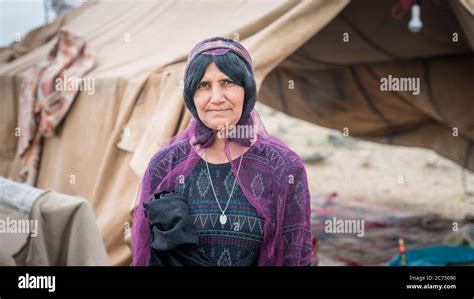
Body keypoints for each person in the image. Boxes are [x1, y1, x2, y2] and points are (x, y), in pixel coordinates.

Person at [131, 36, 314, 266]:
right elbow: (146, 256)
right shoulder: (165, 164)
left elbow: (295, 257)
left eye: (227, 82)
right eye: (203, 85)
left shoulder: (284, 167)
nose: (216, 98)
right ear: (191, 96)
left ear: (247, 90)